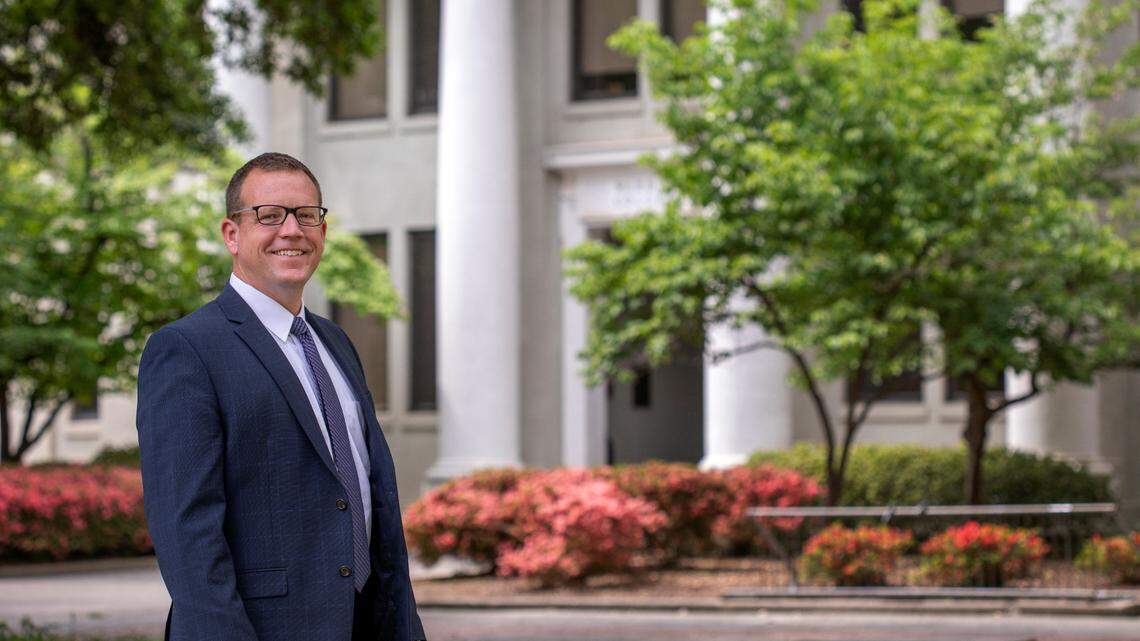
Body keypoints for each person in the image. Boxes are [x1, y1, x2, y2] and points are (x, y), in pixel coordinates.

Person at [137, 152, 426, 641]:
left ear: (323, 232)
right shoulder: (186, 349)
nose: (291, 230)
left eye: (306, 215)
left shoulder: (335, 342)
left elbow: (366, 494)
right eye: (269, 216)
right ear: (232, 234)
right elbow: (188, 537)